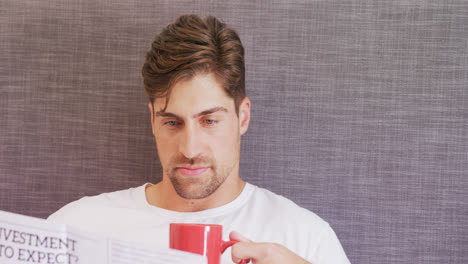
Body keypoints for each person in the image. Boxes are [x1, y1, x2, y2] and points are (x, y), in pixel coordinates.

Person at [47, 14, 350, 264]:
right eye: (172, 122)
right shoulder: (75, 230)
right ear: (153, 121)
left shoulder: (305, 238)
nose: (190, 149)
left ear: (242, 117)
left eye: (209, 120)